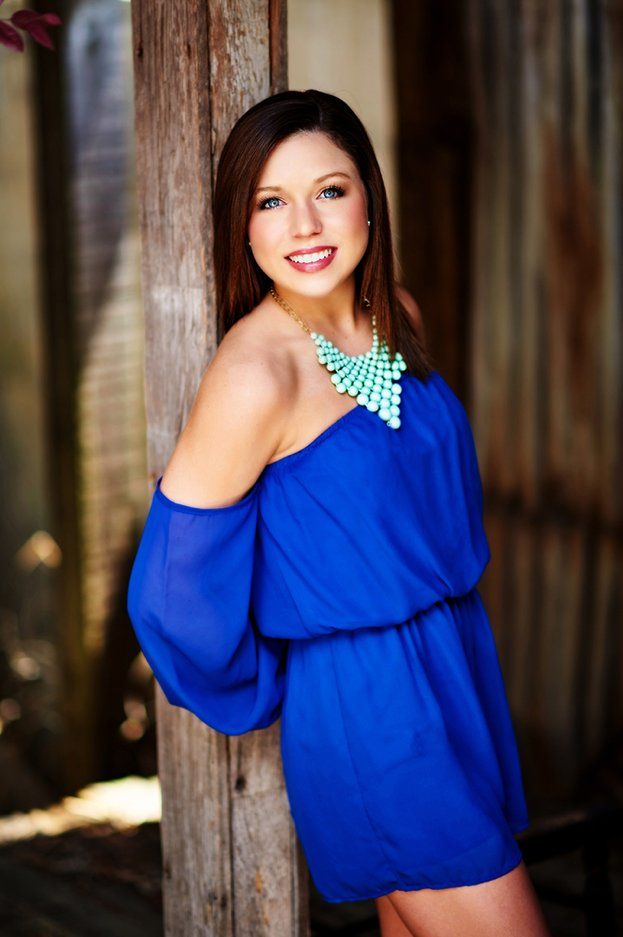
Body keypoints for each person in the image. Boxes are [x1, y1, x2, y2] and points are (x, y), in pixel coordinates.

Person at [127, 89, 552, 937]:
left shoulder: (395, 314)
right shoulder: (254, 376)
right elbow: (170, 593)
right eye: (270, 202)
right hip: (372, 705)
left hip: (457, 665)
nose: (304, 226)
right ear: (241, 226)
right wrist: (289, 674)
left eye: (329, 189)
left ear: (368, 195)